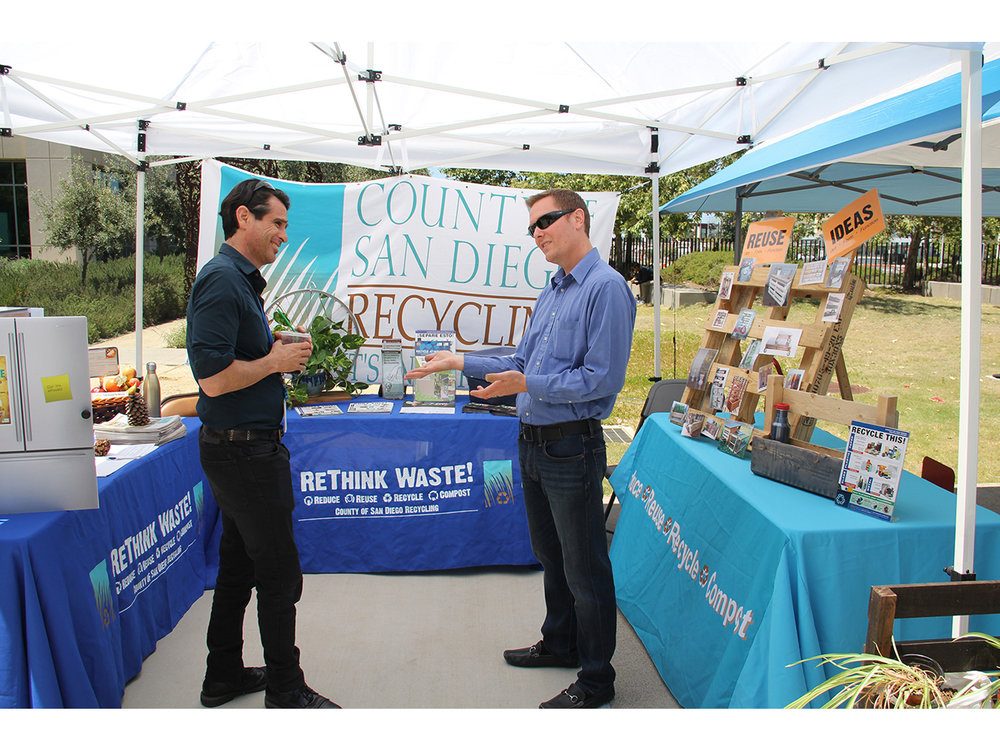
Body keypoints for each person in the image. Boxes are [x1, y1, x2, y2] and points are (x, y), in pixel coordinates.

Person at [406, 189, 635, 709]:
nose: (538, 233)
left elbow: (601, 381)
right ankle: (560, 643)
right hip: (534, 444)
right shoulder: (553, 290)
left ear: (579, 219)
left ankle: (597, 679)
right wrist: (457, 363)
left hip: (572, 447)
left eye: (547, 221)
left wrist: (527, 384)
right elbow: (521, 359)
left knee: (585, 569)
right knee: (551, 557)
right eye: (533, 226)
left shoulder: (607, 289)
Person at [187, 178, 339, 709]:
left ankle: (223, 673)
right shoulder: (223, 281)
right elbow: (211, 378)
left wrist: (272, 347)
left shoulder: (241, 281)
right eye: (276, 223)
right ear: (243, 219)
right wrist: (274, 362)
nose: (282, 234)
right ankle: (286, 689)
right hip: (244, 452)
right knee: (277, 573)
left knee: (239, 567)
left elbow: (233, 357)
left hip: (244, 448)